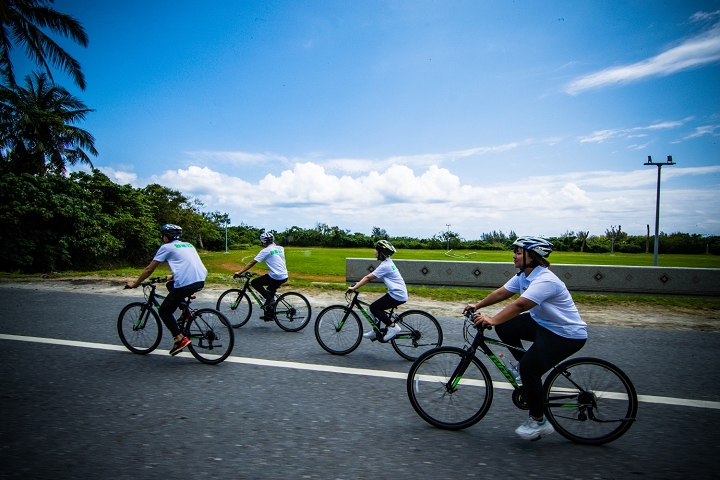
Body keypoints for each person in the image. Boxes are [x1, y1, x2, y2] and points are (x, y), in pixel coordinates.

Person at [464, 236, 587, 441]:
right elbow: (502, 293)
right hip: (544, 324)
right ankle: (524, 373)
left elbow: (520, 306)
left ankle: (538, 421)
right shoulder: (524, 275)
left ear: (533, 256)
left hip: (565, 333)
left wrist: (492, 320)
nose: (514, 255)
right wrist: (477, 306)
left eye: (519, 252)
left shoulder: (545, 280)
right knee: (506, 327)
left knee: (530, 368)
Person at [126, 224, 208, 356]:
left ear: (165, 236)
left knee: (164, 311)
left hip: (185, 284)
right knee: (170, 286)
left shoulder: (166, 247)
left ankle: (179, 338)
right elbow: (189, 264)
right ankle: (185, 311)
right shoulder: (188, 245)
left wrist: (135, 284)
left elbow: (149, 269)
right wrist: (173, 276)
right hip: (200, 280)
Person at [347, 240, 408, 342]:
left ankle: (393, 327)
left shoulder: (385, 266)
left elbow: (368, 278)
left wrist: (354, 288)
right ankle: (376, 331)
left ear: (381, 252)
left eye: (376, 249)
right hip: (397, 294)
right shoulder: (388, 263)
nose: (374, 251)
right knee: (374, 309)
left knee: (374, 308)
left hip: (397, 295)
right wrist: (357, 284)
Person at [234, 231, 288, 320]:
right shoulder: (280, 248)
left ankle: (270, 300)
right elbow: (274, 247)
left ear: (263, 242)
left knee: (254, 282)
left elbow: (251, 263)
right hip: (283, 276)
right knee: (270, 291)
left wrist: (239, 272)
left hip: (275, 276)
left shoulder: (265, 251)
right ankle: (270, 314)